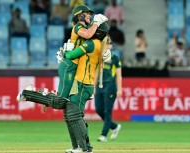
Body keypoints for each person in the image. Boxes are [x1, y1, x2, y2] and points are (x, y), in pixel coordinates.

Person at [17, 22, 110, 153]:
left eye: (93, 28)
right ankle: (80, 147)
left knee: (73, 115)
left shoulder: (91, 43)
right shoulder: (99, 45)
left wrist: (64, 53)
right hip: (83, 83)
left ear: (98, 32)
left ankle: (83, 148)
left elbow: (72, 56)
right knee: (70, 113)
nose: (90, 30)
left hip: (82, 84)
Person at [94, 38, 122, 142]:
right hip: (100, 86)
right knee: (98, 109)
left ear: (111, 46)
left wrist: (119, 89)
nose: (106, 46)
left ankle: (103, 135)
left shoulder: (115, 58)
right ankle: (114, 126)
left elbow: (119, 75)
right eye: (104, 44)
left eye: (108, 44)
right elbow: (96, 73)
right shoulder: (99, 57)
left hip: (110, 85)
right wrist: (93, 87)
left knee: (107, 111)